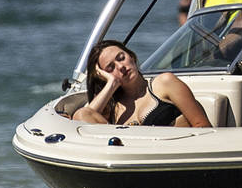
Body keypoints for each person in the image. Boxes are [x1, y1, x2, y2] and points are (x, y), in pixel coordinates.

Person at [73, 40, 212, 127]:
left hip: (171, 155)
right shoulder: (112, 107)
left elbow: (202, 125)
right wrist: (112, 84)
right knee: (81, 114)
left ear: (132, 56)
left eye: (121, 58)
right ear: (104, 76)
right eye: (111, 67)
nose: (120, 67)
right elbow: (83, 119)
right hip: (131, 160)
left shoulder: (164, 83)